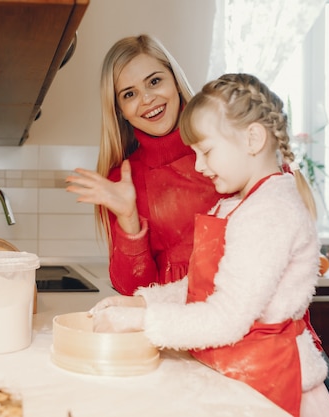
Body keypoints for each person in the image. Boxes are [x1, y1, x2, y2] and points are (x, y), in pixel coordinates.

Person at [88, 73, 329, 417]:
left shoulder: (271, 212)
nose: (198, 166)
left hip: (275, 385)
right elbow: (201, 287)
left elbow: (226, 318)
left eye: (206, 151)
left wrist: (140, 322)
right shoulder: (238, 203)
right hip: (242, 373)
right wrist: (139, 303)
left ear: (253, 139)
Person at [65, 35, 223, 295]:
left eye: (154, 81)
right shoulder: (123, 179)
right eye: (129, 94)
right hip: (173, 329)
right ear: (120, 110)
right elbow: (132, 290)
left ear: (174, 80)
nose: (147, 98)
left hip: (245, 326)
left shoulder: (225, 143)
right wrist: (128, 219)